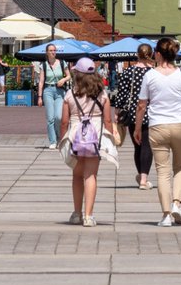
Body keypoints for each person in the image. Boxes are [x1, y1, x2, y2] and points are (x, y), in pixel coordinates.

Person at [134, 38, 181, 227]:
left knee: (162, 171)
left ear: (157, 54)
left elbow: (141, 105)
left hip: (157, 126)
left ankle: (166, 215)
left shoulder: (150, 75)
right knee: (180, 167)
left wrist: (138, 128)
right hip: (180, 124)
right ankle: (176, 204)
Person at [61, 58, 115, 227]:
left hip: (75, 137)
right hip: (95, 138)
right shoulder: (103, 94)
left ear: (78, 74)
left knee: (77, 176)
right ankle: (89, 216)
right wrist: (111, 139)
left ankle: (77, 213)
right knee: (90, 175)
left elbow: (63, 121)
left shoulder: (70, 94)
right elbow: (107, 120)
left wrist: (61, 140)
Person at [112, 43, 155, 189]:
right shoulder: (154, 72)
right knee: (147, 146)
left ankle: (140, 175)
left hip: (132, 113)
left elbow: (121, 94)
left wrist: (117, 113)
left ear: (137, 54)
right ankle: (144, 179)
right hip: (151, 112)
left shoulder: (128, 71)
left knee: (138, 146)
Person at [36, 44, 69, 148]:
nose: (53, 52)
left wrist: (63, 79)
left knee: (58, 117)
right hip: (48, 91)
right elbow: (41, 82)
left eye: (54, 50)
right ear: (47, 52)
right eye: (50, 50)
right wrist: (39, 97)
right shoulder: (44, 65)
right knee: (50, 118)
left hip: (60, 91)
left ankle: (60, 138)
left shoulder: (62, 63)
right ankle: (52, 141)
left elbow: (69, 76)